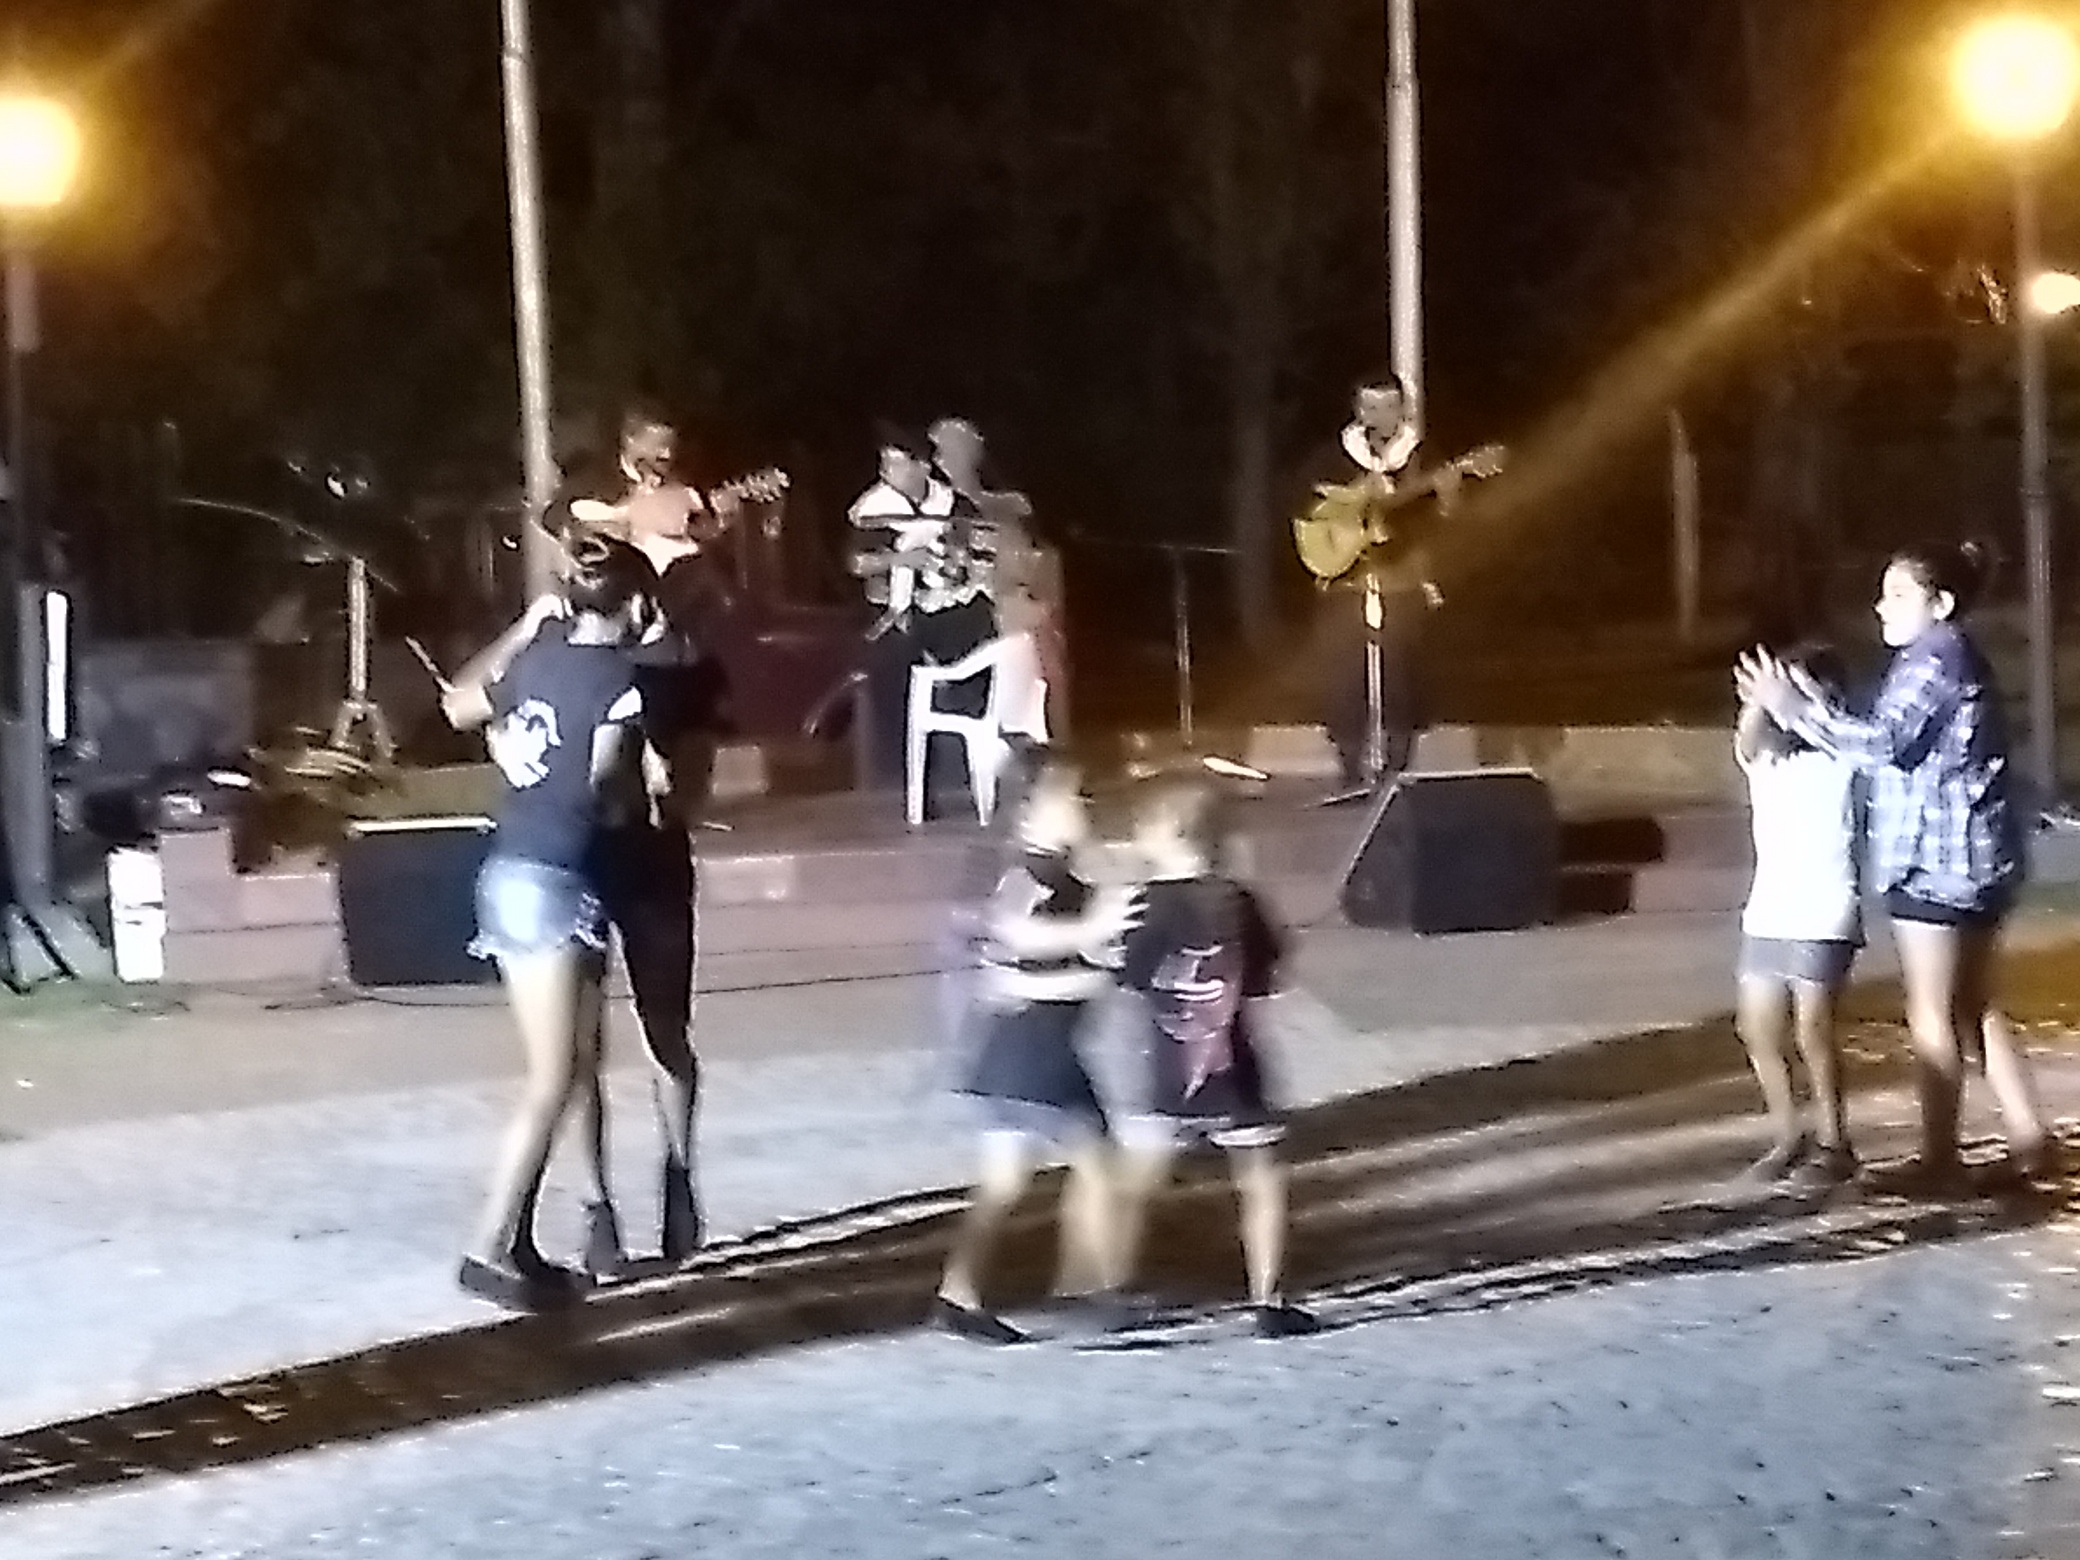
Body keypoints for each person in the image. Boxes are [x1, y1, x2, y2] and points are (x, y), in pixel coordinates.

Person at [1736, 541, 2051, 1192]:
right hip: (1975, 854)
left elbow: (1882, 744)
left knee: (1932, 1013)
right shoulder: (1953, 656)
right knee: (1973, 1005)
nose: (1882, 606)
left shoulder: (1933, 660)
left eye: (1900, 594)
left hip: (1936, 861)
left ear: (1942, 603)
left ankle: (1940, 1160)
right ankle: (2029, 1139)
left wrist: (1794, 708)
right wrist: (1805, 707)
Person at [439, 533, 655, 1309]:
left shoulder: (536, 656)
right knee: (553, 1078)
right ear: (636, 604)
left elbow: (458, 703)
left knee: (578, 1059)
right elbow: (601, 793)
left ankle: (523, 1242)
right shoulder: (621, 684)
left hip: (521, 869)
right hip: (551, 876)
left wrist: (524, 629)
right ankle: (487, 1246)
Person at [554, 407, 724, 1266]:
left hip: (652, 859)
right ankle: (596, 1206)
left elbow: (696, 776)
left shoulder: (683, 669)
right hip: (580, 861)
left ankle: (679, 1175)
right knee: (578, 1046)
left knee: (666, 1033)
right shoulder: (558, 656)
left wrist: (666, 786)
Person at [935, 754, 1138, 1344]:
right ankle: (1090, 1288)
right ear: (1028, 811)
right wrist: (1092, 934)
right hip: (1037, 1055)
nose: (1086, 805)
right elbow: (1014, 931)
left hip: (1015, 1053)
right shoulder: (1029, 874)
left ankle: (959, 1292)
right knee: (1099, 1167)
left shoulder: (1069, 875)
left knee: (1004, 1184)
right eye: (1072, 798)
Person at [1112, 776, 1315, 1338]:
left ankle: (1116, 1288)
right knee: (1261, 1183)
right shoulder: (1239, 901)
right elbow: (1267, 976)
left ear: (1166, 833)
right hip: (1235, 1064)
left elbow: (1128, 975)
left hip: (1166, 1068)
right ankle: (1268, 1299)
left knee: (1133, 1185)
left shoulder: (1143, 903)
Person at [1731, 642, 1862, 1187]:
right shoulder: (1766, 756)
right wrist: (1761, 700)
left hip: (1827, 907)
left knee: (1813, 1029)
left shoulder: (1843, 756)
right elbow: (1747, 737)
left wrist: (1807, 701)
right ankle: (1788, 1136)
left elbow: (1843, 732)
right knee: (1756, 1028)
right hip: (1769, 909)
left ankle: (1835, 1142)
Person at [1296, 375, 1448, 792]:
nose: (1380, 416)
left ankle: (1398, 766)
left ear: (1403, 410)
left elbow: (1441, 519)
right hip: (1344, 578)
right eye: (1371, 407)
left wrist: (1448, 494)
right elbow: (1308, 509)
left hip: (1400, 576)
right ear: (1358, 410)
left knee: (1401, 671)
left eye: (1389, 406)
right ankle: (1350, 766)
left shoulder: (1421, 457)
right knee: (1343, 673)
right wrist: (1352, 505)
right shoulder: (1331, 456)